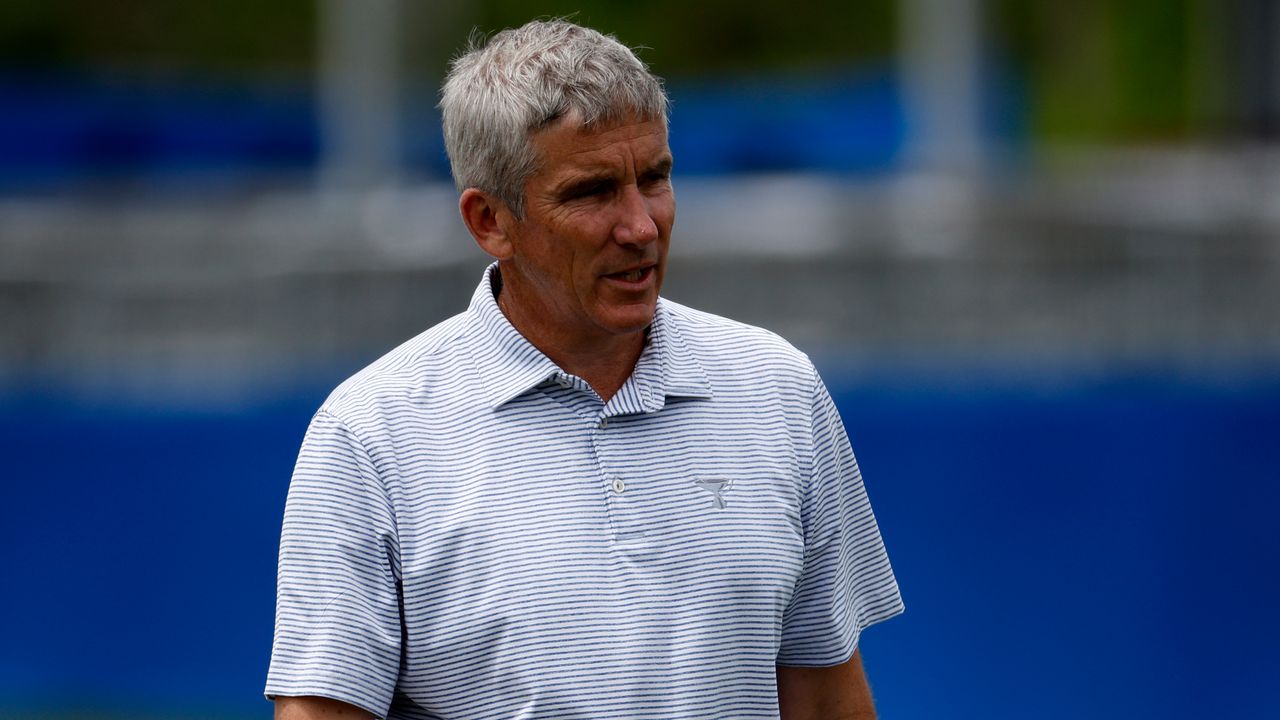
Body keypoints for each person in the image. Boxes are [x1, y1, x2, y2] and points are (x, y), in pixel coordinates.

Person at [266, 19, 903, 720]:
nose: (640, 225)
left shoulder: (776, 388)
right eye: (593, 192)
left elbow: (824, 697)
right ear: (489, 221)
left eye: (655, 178)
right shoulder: (370, 436)